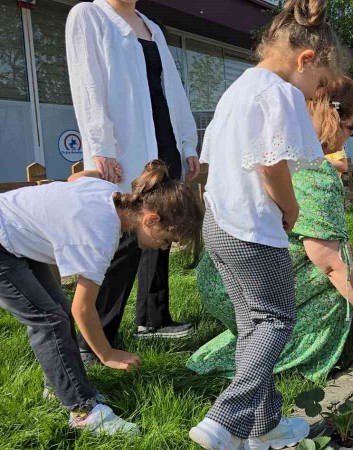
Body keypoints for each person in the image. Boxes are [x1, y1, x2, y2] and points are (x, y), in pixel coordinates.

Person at [187, 1, 350, 449]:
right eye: (319, 84)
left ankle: (265, 426)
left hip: (219, 223)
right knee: (277, 319)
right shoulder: (280, 93)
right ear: (306, 60)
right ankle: (224, 419)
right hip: (252, 227)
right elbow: (270, 162)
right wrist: (291, 208)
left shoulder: (237, 88)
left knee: (253, 325)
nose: (317, 94)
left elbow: (210, 162)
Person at [186, 76, 353, 381]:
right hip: (249, 286)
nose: (351, 136)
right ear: (333, 118)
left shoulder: (274, 148)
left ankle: (245, 345)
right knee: (338, 284)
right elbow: (332, 265)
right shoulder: (316, 171)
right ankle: (278, 359)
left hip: (218, 276)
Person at [0, 161, 203, 437]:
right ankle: (83, 410)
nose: (165, 246)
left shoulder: (108, 192)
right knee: (48, 320)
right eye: (167, 239)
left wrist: (97, 172)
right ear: (151, 219)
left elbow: (74, 178)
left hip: (14, 235)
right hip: (4, 242)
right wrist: (107, 354)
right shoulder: (101, 235)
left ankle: (58, 388)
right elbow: (83, 309)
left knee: (56, 312)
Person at [66, 0, 200, 354]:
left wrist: (187, 143)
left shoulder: (151, 26)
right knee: (122, 242)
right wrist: (101, 146)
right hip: (124, 150)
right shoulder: (89, 15)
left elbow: (171, 89)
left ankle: (153, 319)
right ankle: (93, 341)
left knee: (161, 231)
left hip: (163, 147)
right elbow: (87, 84)